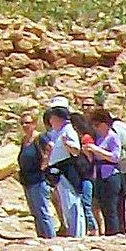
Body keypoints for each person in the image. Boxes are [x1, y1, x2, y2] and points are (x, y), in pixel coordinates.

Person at [42, 102, 86, 238]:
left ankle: (77, 234)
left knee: (72, 202)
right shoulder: (57, 132)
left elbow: (76, 150)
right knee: (66, 204)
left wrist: (68, 144)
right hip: (59, 170)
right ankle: (73, 232)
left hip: (67, 169)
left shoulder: (68, 131)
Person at [85, 111, 126, 236]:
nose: (95, 127)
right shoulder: (98, 138)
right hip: (99, 174)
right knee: (103, 205)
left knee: (112, 205)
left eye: (97, 124)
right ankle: (111, 231)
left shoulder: (113, 137)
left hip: (111, 174)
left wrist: (96, 150)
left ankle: (114, 232)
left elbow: (115, 156)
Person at [16, 116, 55, 240]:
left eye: (27, 123)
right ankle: (41, 236)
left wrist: (45, 163)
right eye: (22, 123)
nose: (24, 126)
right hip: (27, 179)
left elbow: (51, 148)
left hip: (38, 178)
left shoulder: (40, 137)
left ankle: (50, 237)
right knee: (35, 211)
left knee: (43, 210)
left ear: (34, 123)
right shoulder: (24, 140)